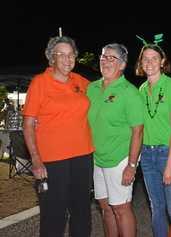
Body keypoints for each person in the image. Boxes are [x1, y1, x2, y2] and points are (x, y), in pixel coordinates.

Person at [23, 36, 94, 237]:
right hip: (52, 160)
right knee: (54, 214)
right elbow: (28, 124)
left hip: (82, 156)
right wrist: (36, 160)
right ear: (51, 58)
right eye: (61, 54)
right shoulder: (40, 83)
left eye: (71, 54)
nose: (67, 59)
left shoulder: (80, 81)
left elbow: (107, 94)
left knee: (82, 212)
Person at [87, 43, 144, 237]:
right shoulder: (92, 88)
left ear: (122, 65)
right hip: (97, 158)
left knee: (121, 208)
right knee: (105, 207)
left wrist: (131, 165)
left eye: (112, 58)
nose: (105, 61)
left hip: (119, 159)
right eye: (103, 57)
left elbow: (138, 131)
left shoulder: (130, 92)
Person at [135, 35, 171, 237]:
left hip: (168, 153)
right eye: (145, 59)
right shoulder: (141, 90)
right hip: (147, 155)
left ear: (162, 61)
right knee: (157, 207)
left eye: (154, 58)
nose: (149, 62)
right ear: (140, 63)